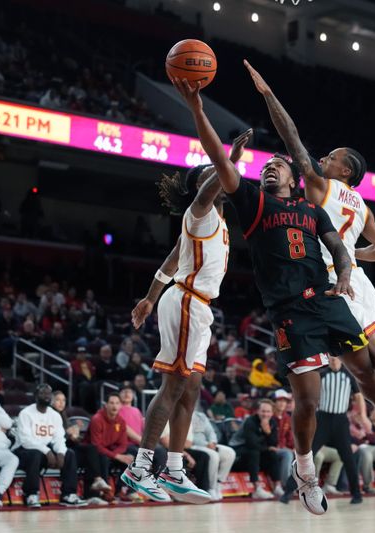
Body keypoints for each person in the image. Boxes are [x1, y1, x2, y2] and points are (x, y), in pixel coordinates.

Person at [176, 74, 375, 516]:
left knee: (370, 364)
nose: (273, 166)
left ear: (297, 176)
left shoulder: (312, 203)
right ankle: (313, 467)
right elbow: (216, 156)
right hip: (294, 310)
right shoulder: (254, 201)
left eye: (280, 165)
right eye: (267, 165)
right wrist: (197, 107)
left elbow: (340, 246)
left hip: (329, 294)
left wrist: (344, 272)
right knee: (318, 393)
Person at [243, 60, 375, 491]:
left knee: (374, 357)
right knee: (369, 363)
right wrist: (352, 253)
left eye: (333, 158)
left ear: (344, 170)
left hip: (333, 282)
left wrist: (269, 96)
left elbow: (294, 141)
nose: (324, 159)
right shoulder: (361, 205)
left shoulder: (320, 187)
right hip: (356, 277)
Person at [121, 126, 251, 504]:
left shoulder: (213, 223)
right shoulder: (200, 210)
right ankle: (140, 467)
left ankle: (175, 470)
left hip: (197, 306)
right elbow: (214, 183)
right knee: (174, 385)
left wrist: (148, 297)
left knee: (191, 387)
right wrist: (230, 157)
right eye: (212, 175)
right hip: (187, 302)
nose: (221, 178)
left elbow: (172, 259)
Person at [281, 356, 365, 504]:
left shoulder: (348, 375)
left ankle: (356, 494)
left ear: (340, 359)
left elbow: (359, 396)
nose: (333, 360)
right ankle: (288, 491)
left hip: (341, 421)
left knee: (348, 458)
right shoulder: (322, 374)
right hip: (322, 420)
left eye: (335, 358)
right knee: (306, 454)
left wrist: (363, 416)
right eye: (330, 357)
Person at [12, 383, 87, 508]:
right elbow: (26, 441)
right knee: (35, 454)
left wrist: (61, 453)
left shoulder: (54, 415)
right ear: (35, 396)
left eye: (48, 393)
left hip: (45, 452)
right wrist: (47, 451)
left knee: (69, 454)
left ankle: (69, 494)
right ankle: (31, 494)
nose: (46, 396)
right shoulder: (26, 413)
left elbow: (59, 438)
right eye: (42, 393)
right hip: (23, 451)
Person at [230, 399, 281, 499]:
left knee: (272, 454)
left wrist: (268, 432)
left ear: (272, 412)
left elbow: (274, 443)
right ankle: (256, 488)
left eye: (268, 411)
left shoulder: (273, 422)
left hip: (257, 449)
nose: (265, 414)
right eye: (263, 411)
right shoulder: (250, 421)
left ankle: (277, 486)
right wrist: (267, 447)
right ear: (258, 411)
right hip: (238, 449)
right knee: (255, 452)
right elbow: (251, 443)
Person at [83, 392, 133, 495]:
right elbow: (96, 446)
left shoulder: (121, 421)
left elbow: (123, 444)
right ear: (106, 405)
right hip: (92, 453)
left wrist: (116, 455)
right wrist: (116, 456)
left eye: (117, 403)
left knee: (131, 457)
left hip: (109, 450)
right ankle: (106, 493)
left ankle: (123, 491)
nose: (114, 406)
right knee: (104, 459)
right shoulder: (97, 419)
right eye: (111, 403)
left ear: (120, 405)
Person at [186, 408, 236, 501]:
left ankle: (218, 483)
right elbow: (188, 437)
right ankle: (211, 488)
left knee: (229, 453)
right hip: (193, 446)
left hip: (207, 444)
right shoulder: (182, 414)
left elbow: (211, 432)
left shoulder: (201, 415)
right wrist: (205, 444)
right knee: (213, 455)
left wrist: (212, 442)